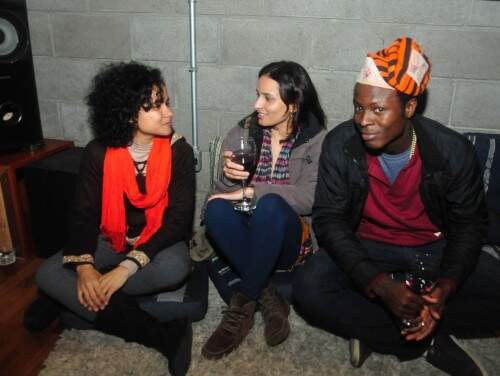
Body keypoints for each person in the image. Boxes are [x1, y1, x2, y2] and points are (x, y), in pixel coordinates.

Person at [293, 36, 500, 375]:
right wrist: (379, 284)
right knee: (308, 288)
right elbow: (329, 221)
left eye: (378, 109)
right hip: (369, 247)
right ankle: (422, 340)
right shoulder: (340, 145)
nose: (363, 120)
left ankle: (377, 324)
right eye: (359, 107)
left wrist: (447, 285)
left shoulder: (452, 151)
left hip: (433, 247)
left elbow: (470, 225)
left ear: (408, 108)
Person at [24, 62, 195, 376]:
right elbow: (83, 215)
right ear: (130, 114)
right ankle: (162, 335)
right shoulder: (98, 152)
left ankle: (69, 304)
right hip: (108, 240)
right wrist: (86, 267)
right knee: (47, 274)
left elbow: (178, 222)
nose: (167, 112)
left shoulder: (179, 151)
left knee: (175, 268)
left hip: (156, 242)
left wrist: (123, 270)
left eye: (166, 102)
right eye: (155, 106)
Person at [201, 61, 327, 359]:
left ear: (294, 104)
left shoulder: (316, 140)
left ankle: (240, 309)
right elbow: (218, 194)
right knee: (216, 210)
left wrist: (251, 191)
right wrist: (228, 177)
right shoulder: (245, 131)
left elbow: (310, 197)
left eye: (268, 98)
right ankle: (267, 295)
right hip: (245, 234)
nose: (257, 104)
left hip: (290, 238)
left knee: (270, 205)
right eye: (257, 94)